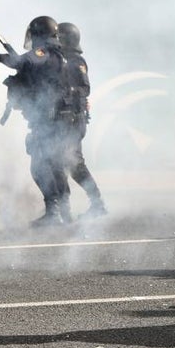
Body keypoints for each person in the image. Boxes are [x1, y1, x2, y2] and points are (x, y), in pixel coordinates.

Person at [0, 16, 71, 226]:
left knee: (40, 167)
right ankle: (64, 213)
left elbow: (19, 62)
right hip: (56, 120)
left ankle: (54, 214)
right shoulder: (57, 55)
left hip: (47, 121)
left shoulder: (42, 53)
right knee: (54, 165)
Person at [56, 22, 106, 219]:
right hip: (65, 121)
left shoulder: (76, 61)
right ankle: (65, 209)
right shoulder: (60, 60)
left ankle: (98, 204)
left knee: (74, 164)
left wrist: (67, 94)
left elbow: (85, 88)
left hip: (74, 121)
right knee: (63, 163)